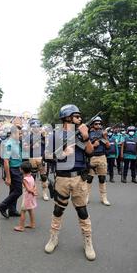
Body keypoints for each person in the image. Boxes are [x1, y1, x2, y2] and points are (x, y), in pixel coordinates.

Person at [44, 104, 96, 261]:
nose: (80, 119)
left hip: (79, 178)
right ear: (67, 117)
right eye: (77, 116)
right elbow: (46, 155)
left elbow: (90, 152)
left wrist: (86, 137)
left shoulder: (81, 133)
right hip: (62, 178)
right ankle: (53, 237)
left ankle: (88, 241)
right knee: (58, 210)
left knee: (82, 211)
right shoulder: (55, 135)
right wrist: (62, 153)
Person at [0, 122, 23, 218]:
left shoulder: (16, 142)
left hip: (17, 168)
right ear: (13, 133)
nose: (20, 135)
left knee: (13, 191)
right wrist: (8, 177)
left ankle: (12, 210)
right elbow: (6, 161)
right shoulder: (8, 144)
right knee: (18, 191)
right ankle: (3, 206)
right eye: (19, 133)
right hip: (13, 170)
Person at [86, 116, 111, 206]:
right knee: (89, 179)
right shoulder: (89, 133)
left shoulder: (103, 133)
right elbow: (86, 147)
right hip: (92, 157)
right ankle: (86, 197)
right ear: (92, 124)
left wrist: (105, 137)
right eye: (96, 123)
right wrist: (93, 145)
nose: (98, 125)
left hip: (102, 157)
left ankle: (104, 198)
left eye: (100, 123)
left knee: (102, 178)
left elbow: (108, 146)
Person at [27, 119, 50, 201]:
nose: (36, 128)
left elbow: (49, 145)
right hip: (32, 158)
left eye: (37, 127)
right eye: (34, 127)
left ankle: (44, 193)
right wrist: (32, 146)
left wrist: (45, 137)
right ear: (31, 128)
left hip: (41, 158)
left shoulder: (44, 136)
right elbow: (24, 148)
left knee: (44, 176)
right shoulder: (28, 137)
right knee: (32, 177)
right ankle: (33, 191)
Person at [14, 161, 38, 231]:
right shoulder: (31, 177)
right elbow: (34, 186)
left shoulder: (24, 179)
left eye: (20, 168)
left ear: (22, 170)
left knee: (23, 211)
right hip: (31, 197)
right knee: (30, 210)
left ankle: (21, 227)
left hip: (27, 197)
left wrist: (33, 192)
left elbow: (28, 189)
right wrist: (35, 191)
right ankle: (32, 224)